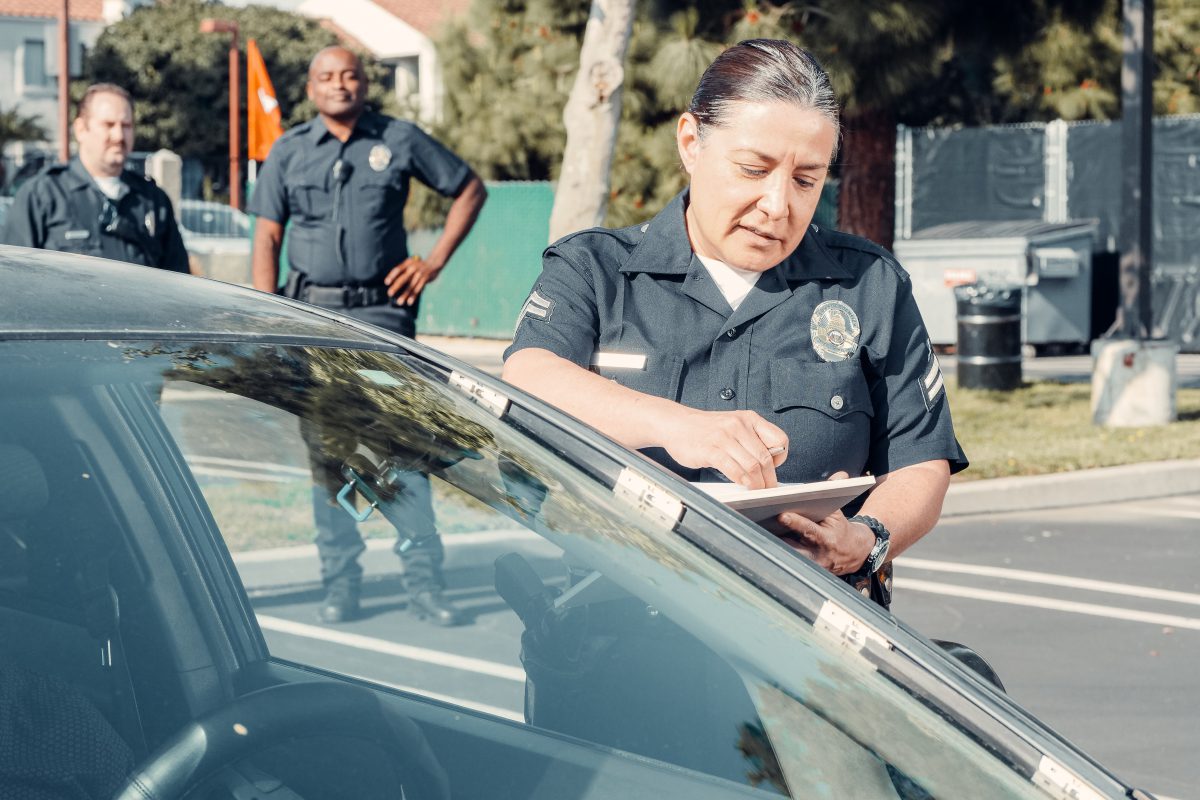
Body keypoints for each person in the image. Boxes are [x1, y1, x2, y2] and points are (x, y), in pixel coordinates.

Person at [502, 39, 967, 607]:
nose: (777, 204)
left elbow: (920, 461)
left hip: (809, 637)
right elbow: (529, 375)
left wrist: (864, 542)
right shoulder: (595, 269)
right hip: (615, 625)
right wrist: (678, 425)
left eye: (806, 180)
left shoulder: (869, 286)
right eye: (753, 169)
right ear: (691, 143)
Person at [249, 46, 487, 626]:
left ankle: (425, 584)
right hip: (312, 319)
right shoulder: (289, 150)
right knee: (330, 459)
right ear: (311, 88)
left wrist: (431, 262)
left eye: (349, 74)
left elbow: (470, 189)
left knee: (402, 449)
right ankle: (341, 584)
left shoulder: (399, 139)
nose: (339, 84)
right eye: (327, 76)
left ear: (364, 82)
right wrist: (266, 319)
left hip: (383, 317)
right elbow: (266, 239)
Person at [3, 84, 189, 272]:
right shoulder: (42, 196)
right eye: (108, 125)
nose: (118, 136)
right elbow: (15, 279)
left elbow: (178, 281)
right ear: (81, 129)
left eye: (126, 126)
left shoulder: (153, 201)